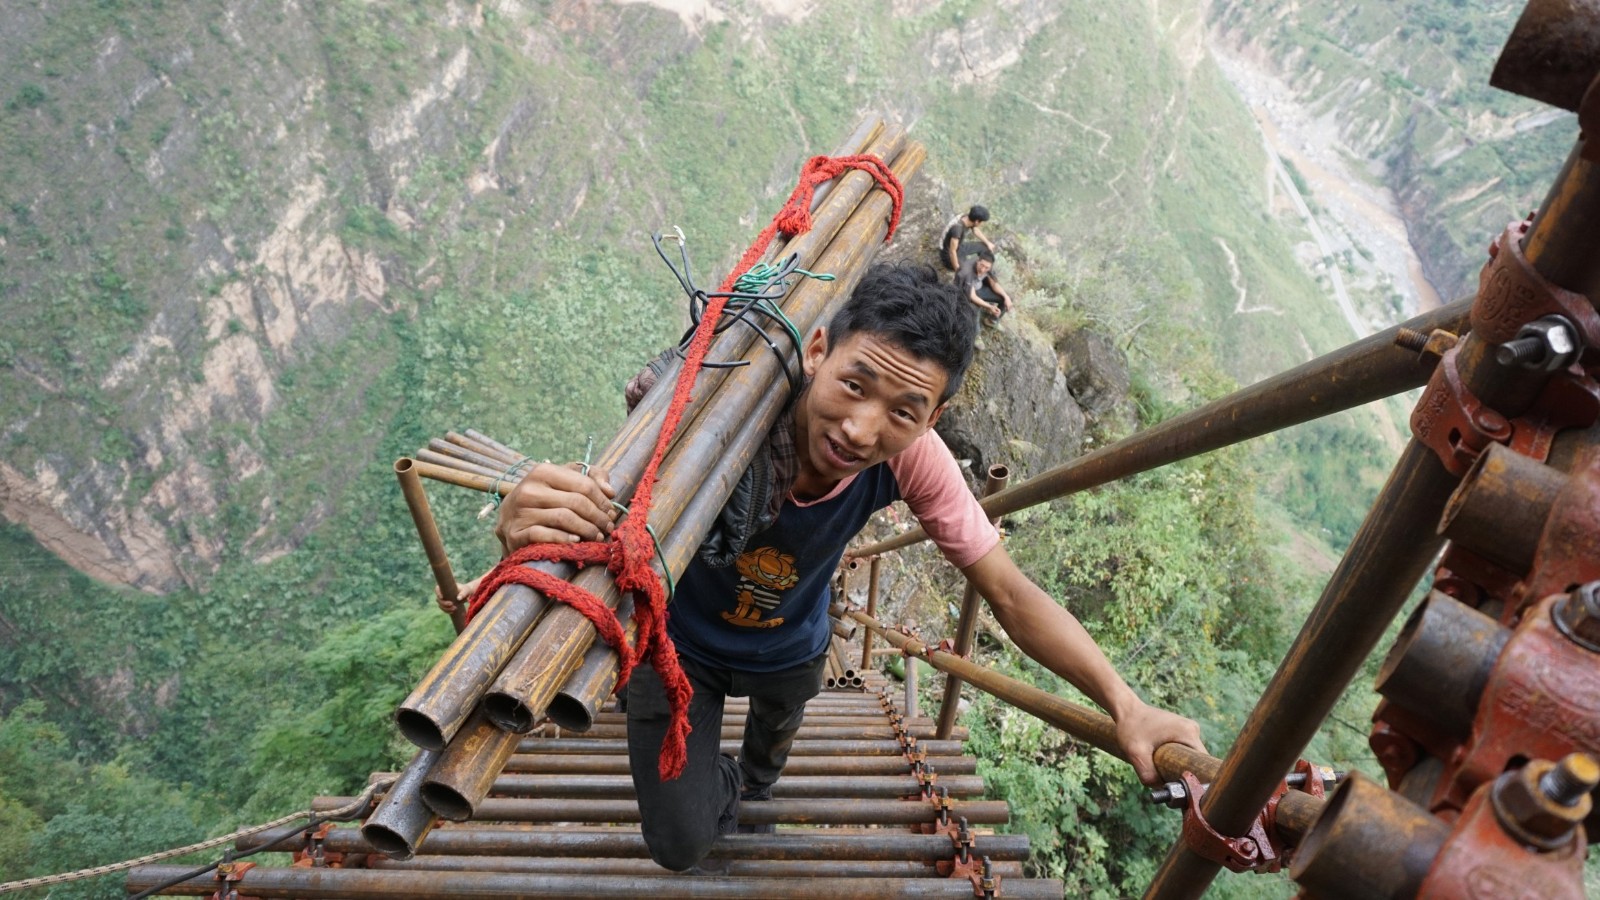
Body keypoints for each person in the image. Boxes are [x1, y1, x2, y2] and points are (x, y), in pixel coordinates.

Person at [493, 264, 1205, 873]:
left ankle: (749, 787)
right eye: (855, 385)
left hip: (792, 647)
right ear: (820, 350)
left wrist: (1124, 702)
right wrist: (529, 529)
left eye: (904, 410)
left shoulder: (913, 458)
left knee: (764, 773)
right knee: (679, 844)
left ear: (936, 416)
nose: (862, 429)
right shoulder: (715, 418)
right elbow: (602, 514)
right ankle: (720, 792)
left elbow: (1011, 594)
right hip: (678, 649)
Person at [956, 249, 1013, 324]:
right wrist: (989, 307)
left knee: (1007, 298)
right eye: (981, 265)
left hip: (979, 287)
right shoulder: (967, 271)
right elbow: (972, 296)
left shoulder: (988, 264)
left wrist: (1006, 297)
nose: (983, 270)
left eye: (986, 268)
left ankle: (991, 321)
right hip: (965, 294)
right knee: (974, 326)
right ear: (978, 261)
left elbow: (993, 283)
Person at [941, 205, 995, 271]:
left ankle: (984, 269)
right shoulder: (957, 229)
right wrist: (958, 270)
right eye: (982, 222)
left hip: (959, 247)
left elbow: (975, 230)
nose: (982, 224)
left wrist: (988, 243)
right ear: (977, 221)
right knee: (968, 270)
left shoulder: (967, 217)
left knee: (985, 247)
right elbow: (952, 251)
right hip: (948, 255)